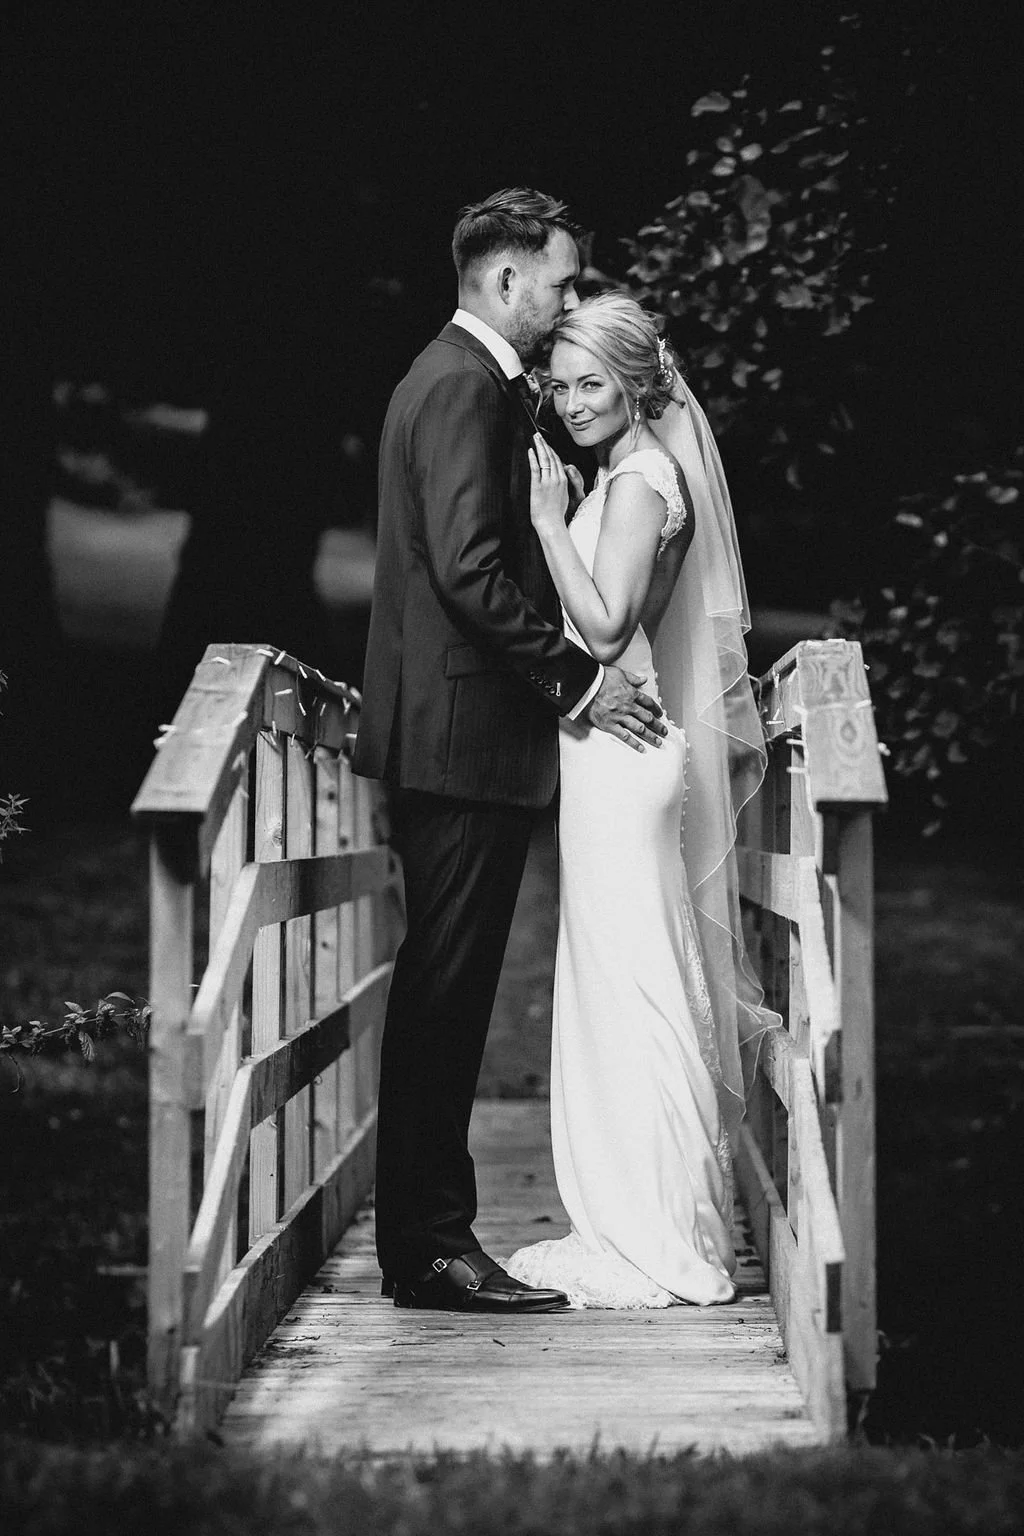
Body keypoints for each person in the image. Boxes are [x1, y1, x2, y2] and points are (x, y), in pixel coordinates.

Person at [352, 191, 667, 1313]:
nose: (568, 298)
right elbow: (469, 570)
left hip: (459, 735)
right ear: (502, 280)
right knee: (444, 996)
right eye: (560, 280)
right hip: (457, 736)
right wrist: (579, 684)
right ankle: (431, 1247)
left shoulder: (470, 384)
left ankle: (429, 1239)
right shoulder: (455, 388)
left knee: (450, 992)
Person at [504, 293, 776, 1307]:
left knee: (628, 986)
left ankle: (650, 1235)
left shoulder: (636, 480)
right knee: (632, 976)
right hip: (623, 748)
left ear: (636, 386)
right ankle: (654, 1218)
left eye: (591, 385)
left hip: (619, 756)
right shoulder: (635, 473)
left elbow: (611, 629)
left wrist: (543, 521)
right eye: (558, 383)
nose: (569, 403)